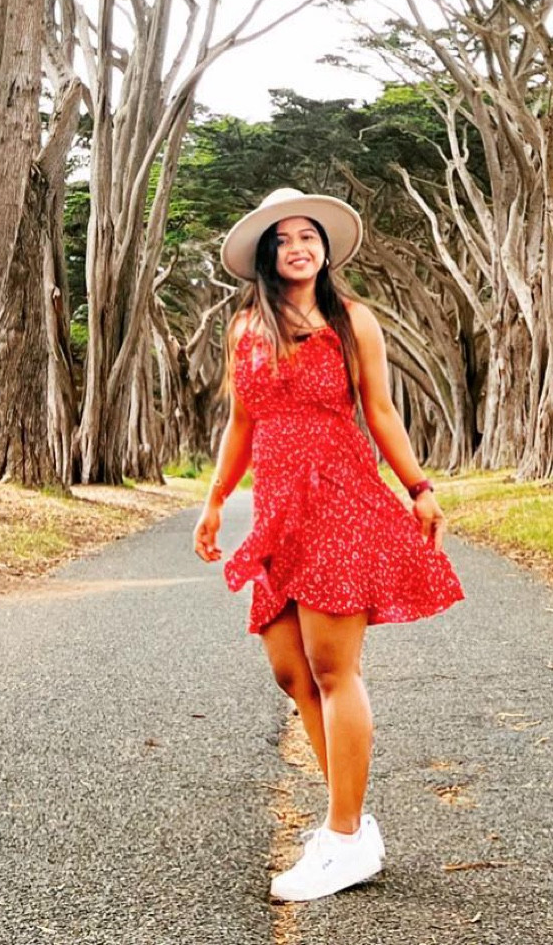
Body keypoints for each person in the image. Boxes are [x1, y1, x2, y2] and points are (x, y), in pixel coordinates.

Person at [192, 186, 464, 904]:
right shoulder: (245, 327)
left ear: (325, 249)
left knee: (333, 666)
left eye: (308, 235)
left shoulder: (354, 322)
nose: (298, 247)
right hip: (279, 511)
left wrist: (419, 487)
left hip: (341, 497)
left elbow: (380, 410)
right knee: (291, 672)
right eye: (283, 239)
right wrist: (217, 500)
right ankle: (353, 823)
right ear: (266, 255)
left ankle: (343, 838)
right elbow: (242, 425)